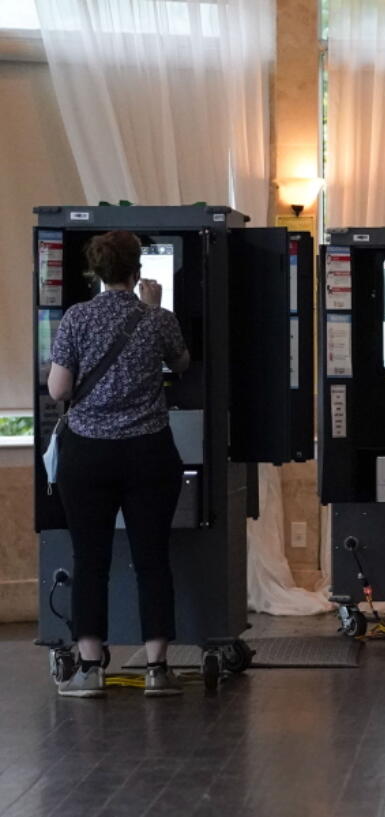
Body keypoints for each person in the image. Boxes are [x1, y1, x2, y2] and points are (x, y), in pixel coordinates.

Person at [47, 230, 191, 698]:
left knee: (90, 561)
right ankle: (157, 669)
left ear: (96, 271)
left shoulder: (76, 318)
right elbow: (183, 363)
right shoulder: (157, 319)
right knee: (152, 560)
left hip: (88, 455)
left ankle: (90, 669)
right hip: (149, 453)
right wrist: (155, 307)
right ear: (137, 270)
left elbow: (59, 390)